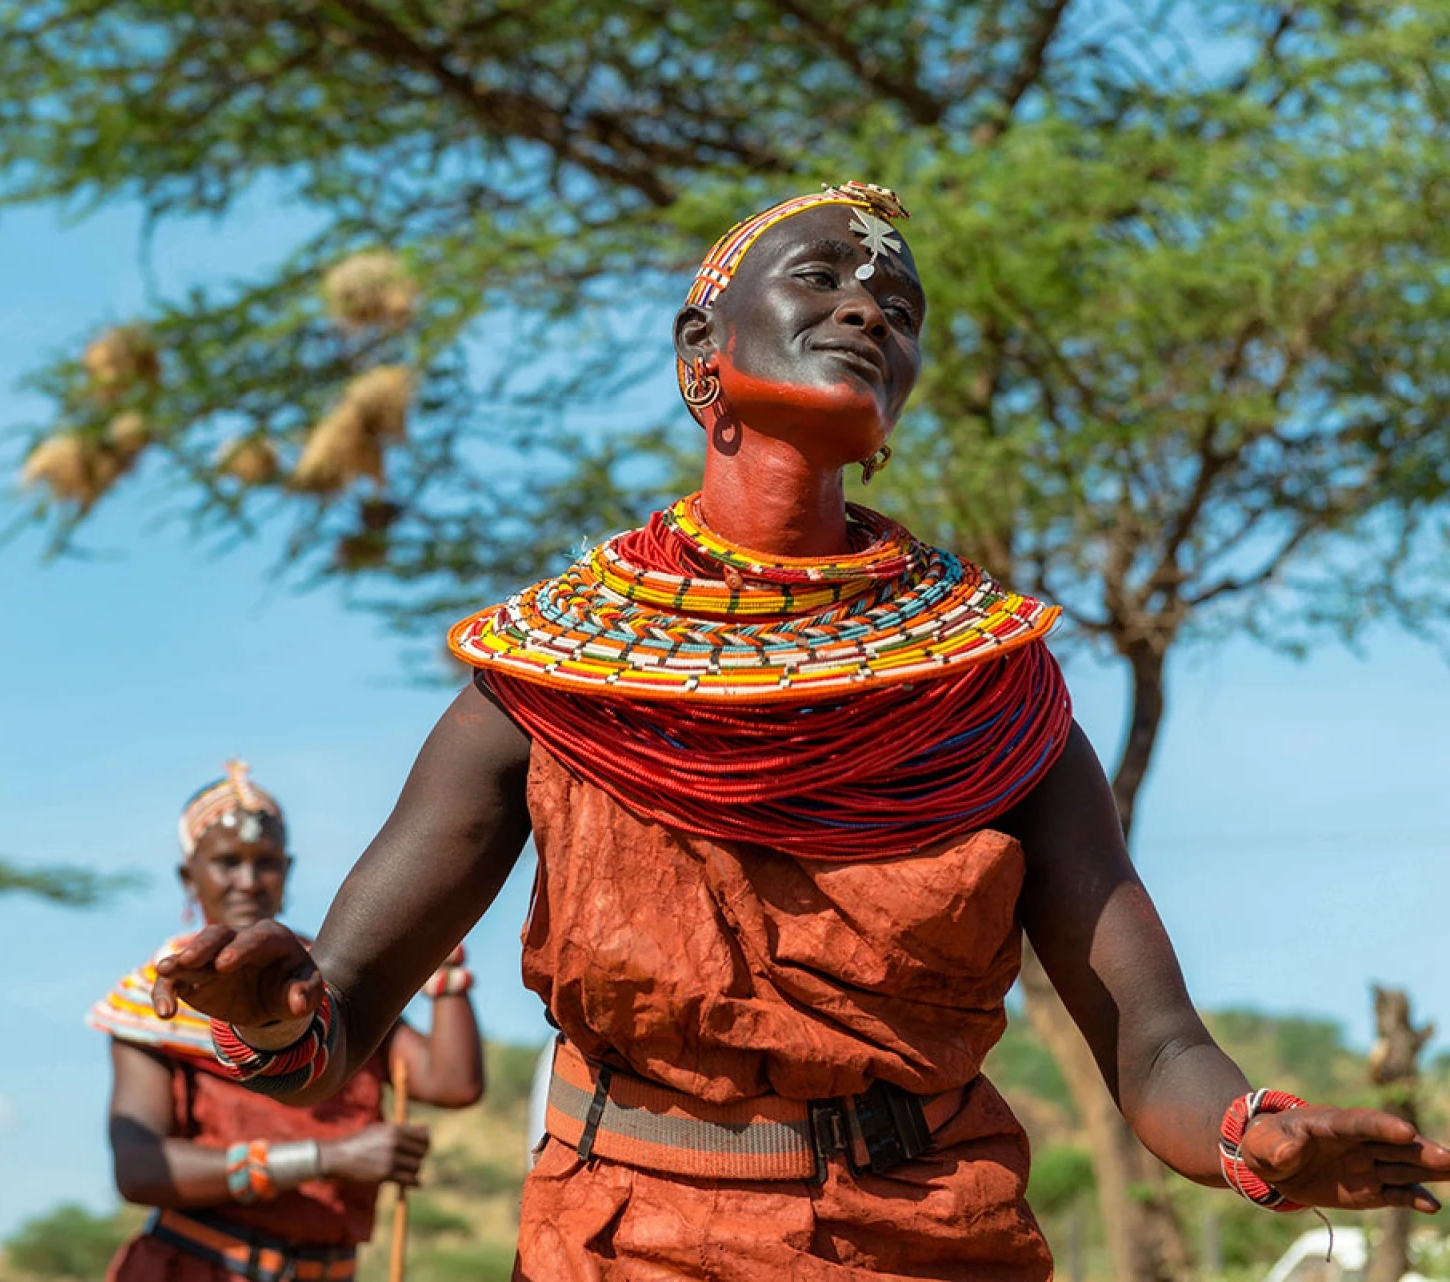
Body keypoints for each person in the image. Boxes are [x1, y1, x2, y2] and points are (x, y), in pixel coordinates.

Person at [150, 187, 1450, 1278]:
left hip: (930, 1240)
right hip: (624, 1241)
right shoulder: (553, 679)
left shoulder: (993, 693)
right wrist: (269, 1015)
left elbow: (1152, 1040)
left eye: (900, 304)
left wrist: (1244, 1128)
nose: (867, 306)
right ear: (698, 349)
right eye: (822, 276)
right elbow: (336, 1030)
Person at [91, 761, 483, 1281]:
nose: (248, 882)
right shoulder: (156, 994)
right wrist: (326, 1158)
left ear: (288, 871)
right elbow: (140, 1171)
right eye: (227, 863)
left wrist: (440, 944)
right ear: (190, 878)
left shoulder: (327, 979)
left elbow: (450, 1082)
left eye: (266, 863)